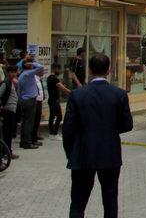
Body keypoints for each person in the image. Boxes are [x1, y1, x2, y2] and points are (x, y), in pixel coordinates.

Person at [63, 54, 133, 218]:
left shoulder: (77, 95)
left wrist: (70, 153)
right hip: (109, 154)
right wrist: (110, 130)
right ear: (109, 70)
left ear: (89, 70)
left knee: (78, 202)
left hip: (82, 155)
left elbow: (68, 129)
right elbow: (127, 125)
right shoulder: (119, 94)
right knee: (110, 201)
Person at [17, 58, 44, 149]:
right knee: (29, 123)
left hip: (24, 99)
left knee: (25, 122)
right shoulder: (28, 73)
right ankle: (27, 142)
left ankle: (24, 141)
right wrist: (32, 63)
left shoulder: (21, 75)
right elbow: (41, 67)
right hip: (30, 100)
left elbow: (19, 90)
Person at [0, 65, 20, 160]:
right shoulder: (6, 82)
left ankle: (8, 151)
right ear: (8, 73)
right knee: (7, 133)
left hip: (12, 111)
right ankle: (6, 153)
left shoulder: (11, 82)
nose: (13, 74)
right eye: (11, 72)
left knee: (9, 133)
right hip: (7, 111)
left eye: (15, 72)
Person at [47, 63, 70, 140]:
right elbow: (62, 87)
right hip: (54, 100)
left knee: (52, 116)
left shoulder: (50, 78)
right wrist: (71, 92)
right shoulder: (54, 78)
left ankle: (51, 133)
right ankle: (55, 133)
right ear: (54, 69)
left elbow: (59, 87)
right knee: (59, 117)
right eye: (59, 69)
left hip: (51, 100)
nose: (59, 71)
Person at [30, 66, 46, 144]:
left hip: (39, 101)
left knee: (37, 120)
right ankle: (32, 138)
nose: (43, 72)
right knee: (34, 120)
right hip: (35, 101)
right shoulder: (34, 79)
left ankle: (35, 135)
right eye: (42, 70)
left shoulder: (39, 79)